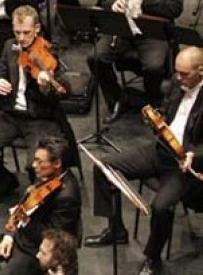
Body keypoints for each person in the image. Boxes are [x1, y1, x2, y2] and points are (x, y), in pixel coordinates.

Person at [84, 46, 203, 275]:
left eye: (185, 74)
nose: (178, 78)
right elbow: (166, 112)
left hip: (182, 166)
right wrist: (155, 117)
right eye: (177, 72)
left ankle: (152, 257)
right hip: (160, 151)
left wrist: (194, 155)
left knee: (161, 206)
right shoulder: (177, 83)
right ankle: (116, 228)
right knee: (104, 167)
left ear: (200, 71)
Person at [0, 5, 76, 200]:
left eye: (26, 32)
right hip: (11, 117)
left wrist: (48, 86)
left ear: (36, 28)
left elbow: (66, 89)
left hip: (39, 119)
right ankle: (6, 180)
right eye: (17, 32)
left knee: (34, 165)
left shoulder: (48, 50)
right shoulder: (10, 47)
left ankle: (39, 200)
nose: (21, 38)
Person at [86, 0, 183, 124]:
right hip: (122, 28)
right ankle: (117, 99)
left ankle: (153, 104)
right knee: (95, 58)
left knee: (154, 66)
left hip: (151, 31)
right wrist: (113, 4)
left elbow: (174, 9)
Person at [0, 137, 81, 275]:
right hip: (21, 236)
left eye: (40, 162)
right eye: (35, 159)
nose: (34, 165)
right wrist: (9, 236)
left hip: (36, 249)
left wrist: (23, 218)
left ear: (57, 163)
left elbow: (53, 236)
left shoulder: (67, 197)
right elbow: (25, 203)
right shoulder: (45, 174)